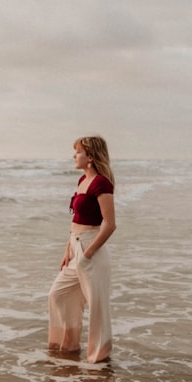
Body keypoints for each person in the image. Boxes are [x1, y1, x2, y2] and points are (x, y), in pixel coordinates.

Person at [47, 136, 117, 363]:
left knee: (98, 308)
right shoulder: (82, 180)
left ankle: (98, 360)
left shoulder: (102, 183)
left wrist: (88, 253)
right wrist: (68, 249)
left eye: (77, 152)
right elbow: (75, 219)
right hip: (76, 246)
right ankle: (68, 345)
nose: (74, 156)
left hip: (92, 249)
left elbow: (110, 224)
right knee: (58, 295)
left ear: (90, 157)